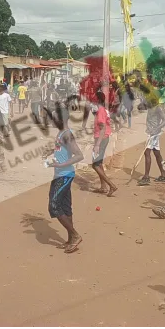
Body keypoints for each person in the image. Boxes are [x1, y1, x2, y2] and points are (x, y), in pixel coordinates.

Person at [41, 102, 85, 253]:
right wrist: (50, 151)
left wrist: (61, 164)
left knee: (53, 205)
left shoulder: (67, 134)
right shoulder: (61, 133)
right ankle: (70, 239)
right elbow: (61, 148)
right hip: (60, 174)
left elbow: (79, 155)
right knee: (66, 206)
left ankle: (75, 234)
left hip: (64, 175)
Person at [138, 95, 165, 186]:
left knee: (147, 153)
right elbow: (140, 108)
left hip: (153, 134)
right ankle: (163, 175)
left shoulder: (158, 108)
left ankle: (146, 177)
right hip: (151, 132)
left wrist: (156, 128)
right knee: (157, 153)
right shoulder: (150, 106)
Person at [91, 91, 117, 197]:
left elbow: (103, 128)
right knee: (99, 162)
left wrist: (97, 144)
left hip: (101, 139)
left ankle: (111, 185)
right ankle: (103, 186)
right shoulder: (103, 110)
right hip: (104, 138)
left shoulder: (101, 111)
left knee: (95, 164)